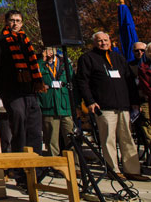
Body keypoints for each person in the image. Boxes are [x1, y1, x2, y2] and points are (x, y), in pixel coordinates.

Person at [75, 31, 149, 181]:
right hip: (104, 106)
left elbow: (129, 81)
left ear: (110, 41)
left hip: (123, 105)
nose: (103, 43)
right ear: (94, 43)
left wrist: (134, 101)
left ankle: (132, 170)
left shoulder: (118, 58)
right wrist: (89, 101)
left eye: (105, 40)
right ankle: (113, 170)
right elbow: (82, 82)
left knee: (127, 138)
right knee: (108, 139)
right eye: (100, 41)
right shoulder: (87, 58)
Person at [0, 10, 46, 189]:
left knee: (35, 132)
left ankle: (35, 169)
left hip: (30, 92)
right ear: (6, 22)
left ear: (22, 23)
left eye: (18, 21)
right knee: (19, 129)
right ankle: (20, 173)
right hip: (12, 92)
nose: (15, 23)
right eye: (12, 20)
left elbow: (33, 65)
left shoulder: (26, 42)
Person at [37, 48, 74, 158]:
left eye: (51, 49)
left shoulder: (64, 63)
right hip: (49, 106)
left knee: (71, 137)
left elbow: (72, 82)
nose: (49, 52)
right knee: (51, 140)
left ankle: (75, 165)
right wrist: (42, 60)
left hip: (65, 105)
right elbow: (34, 75)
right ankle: (55, 165)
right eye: (46, 49)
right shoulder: (39, 64)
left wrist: (75, 105)